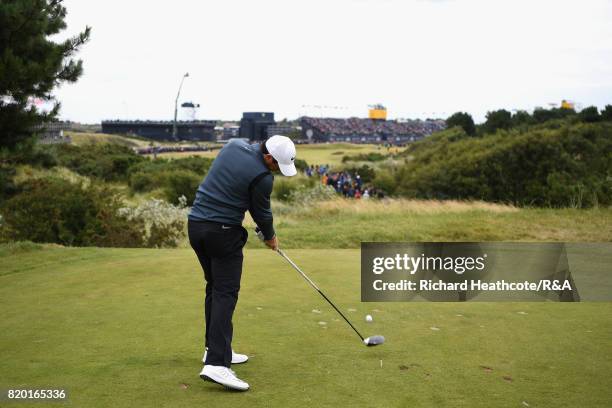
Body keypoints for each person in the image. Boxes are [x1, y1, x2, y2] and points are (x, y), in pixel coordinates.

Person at [187, 135, 297, 391]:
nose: (276, 171)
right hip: (223, 234)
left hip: (196, 227)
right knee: (225, 293)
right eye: (276, 165)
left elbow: (232, 188)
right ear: (269, 157)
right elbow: (262, 213)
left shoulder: (233, 144)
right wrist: (270, 237)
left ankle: (214, 349)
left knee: (214, 287)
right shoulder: (263, 178)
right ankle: (216, 364)